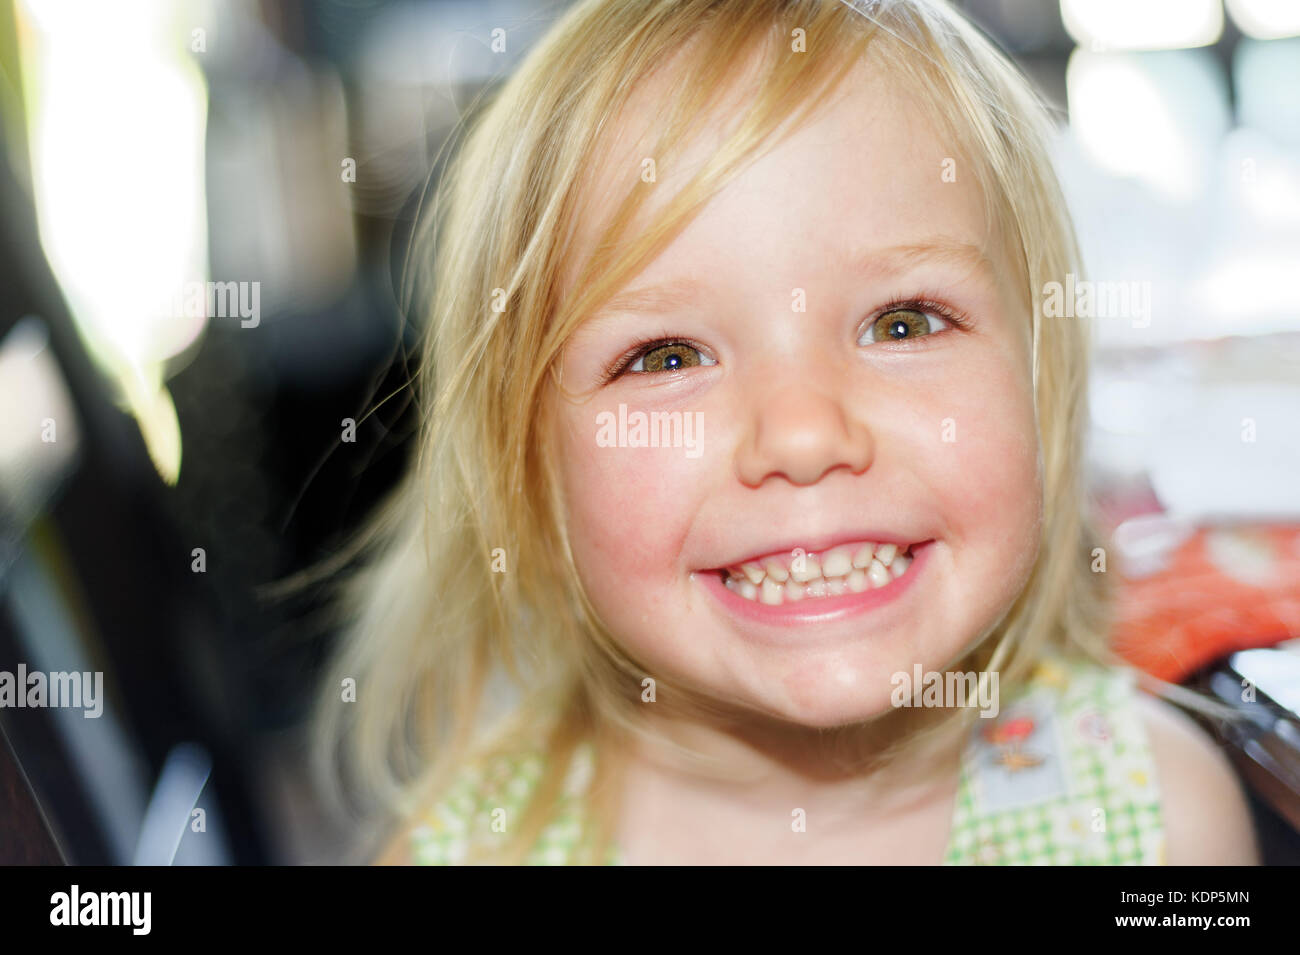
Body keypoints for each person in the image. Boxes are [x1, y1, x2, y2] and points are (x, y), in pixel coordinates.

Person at [314, 0, 1259, 865]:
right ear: (528, 469)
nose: (804, 435)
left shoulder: (1156, 820)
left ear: (1042, 386)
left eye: (904, 322)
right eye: (667, 354)